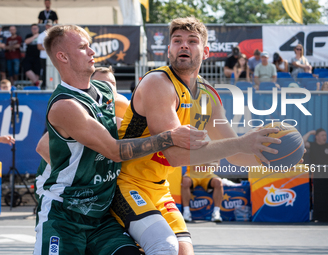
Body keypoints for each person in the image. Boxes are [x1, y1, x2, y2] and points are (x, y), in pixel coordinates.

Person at [110, 17, 280, 255]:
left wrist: (275, 157)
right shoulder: (158, 83)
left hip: (159, 188)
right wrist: (242, 142)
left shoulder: (208, 96)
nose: (184, 45)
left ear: (206, 51)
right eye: (177, 40)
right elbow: (176, 156)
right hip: (125, 183)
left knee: (184, 251)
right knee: (164, 246)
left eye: (192, 41)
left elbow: (237, 155)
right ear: (169, 49)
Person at [34, 24, 207, 255]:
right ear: (63, 56)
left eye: (90, 46)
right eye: (84, 47)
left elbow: (131, 125)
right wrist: (169, 137)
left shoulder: (106, 93)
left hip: (101, 214)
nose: (92, 52)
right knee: (163, 245)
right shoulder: (65, 106)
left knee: (162, 248)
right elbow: (114, 151)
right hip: (65, 212)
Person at [37, 20, 53, 89]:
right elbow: (39, 46)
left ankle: (52, 84)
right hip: (44, 56)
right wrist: (49, 48)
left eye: (49, 25)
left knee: (53, 71)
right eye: (47, 25)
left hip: (52, 56)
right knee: (44, 71)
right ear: (45, 26)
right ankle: (44, 85)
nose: (48, 26)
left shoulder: (54, 35)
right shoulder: (41, 35)